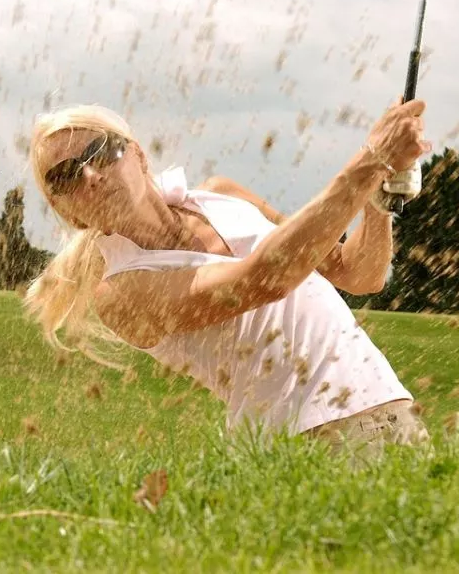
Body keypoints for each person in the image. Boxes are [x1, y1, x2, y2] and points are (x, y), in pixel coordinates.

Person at [23, 98, 434, 458]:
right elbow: (265, 279)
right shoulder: (120, 291)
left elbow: (359, 274)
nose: (90, 177)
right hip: (304, 441)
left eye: (99, 152)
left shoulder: (223, 193)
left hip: (390, 405)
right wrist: (370, 161)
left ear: (139, 156)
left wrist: (381, 196)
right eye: (65, 177)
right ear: (70, 215)